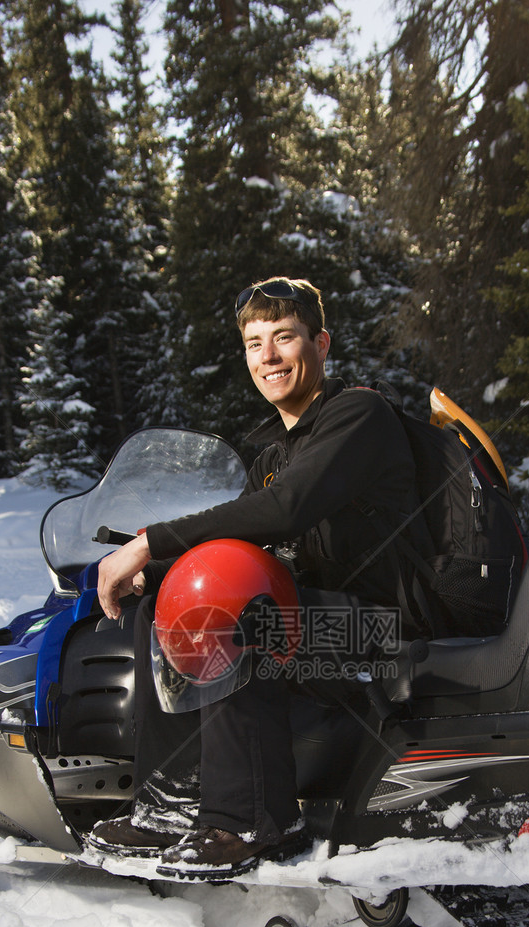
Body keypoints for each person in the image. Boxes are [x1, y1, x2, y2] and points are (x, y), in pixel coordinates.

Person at [90, 276, 417, 872]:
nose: (267, 356)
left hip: (384, 628)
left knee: (235, 609)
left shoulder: (358, 415)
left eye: (284, 337)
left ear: (320, 343)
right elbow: (240, 537)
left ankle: (256, 823)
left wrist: (146, 544)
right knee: (166, 602)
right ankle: (169, 806)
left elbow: (283, 510)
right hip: (322, 618)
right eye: (254, 342)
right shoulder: (273, 454)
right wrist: (157, 569)